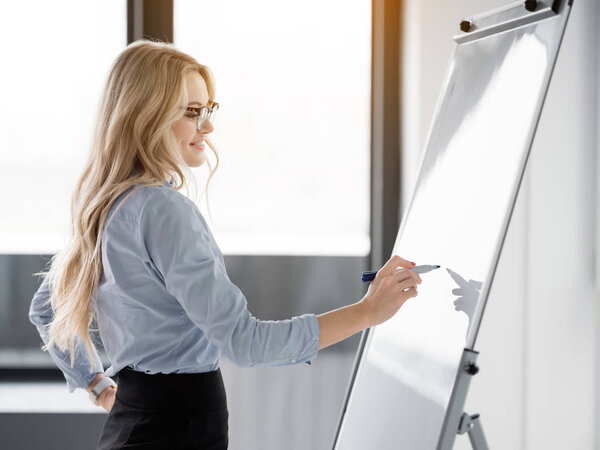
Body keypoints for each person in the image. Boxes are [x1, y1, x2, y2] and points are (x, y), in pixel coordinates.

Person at [27, 40, 421, 449]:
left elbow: (44, 308)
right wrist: (368, 311)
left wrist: (97, 385)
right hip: (180, 429)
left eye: (207, 110)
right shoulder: (163, 210)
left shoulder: (106, 206)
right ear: (146, 117)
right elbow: (245, 342)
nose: (208, 127)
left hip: (131, 421)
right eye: (192, 112)